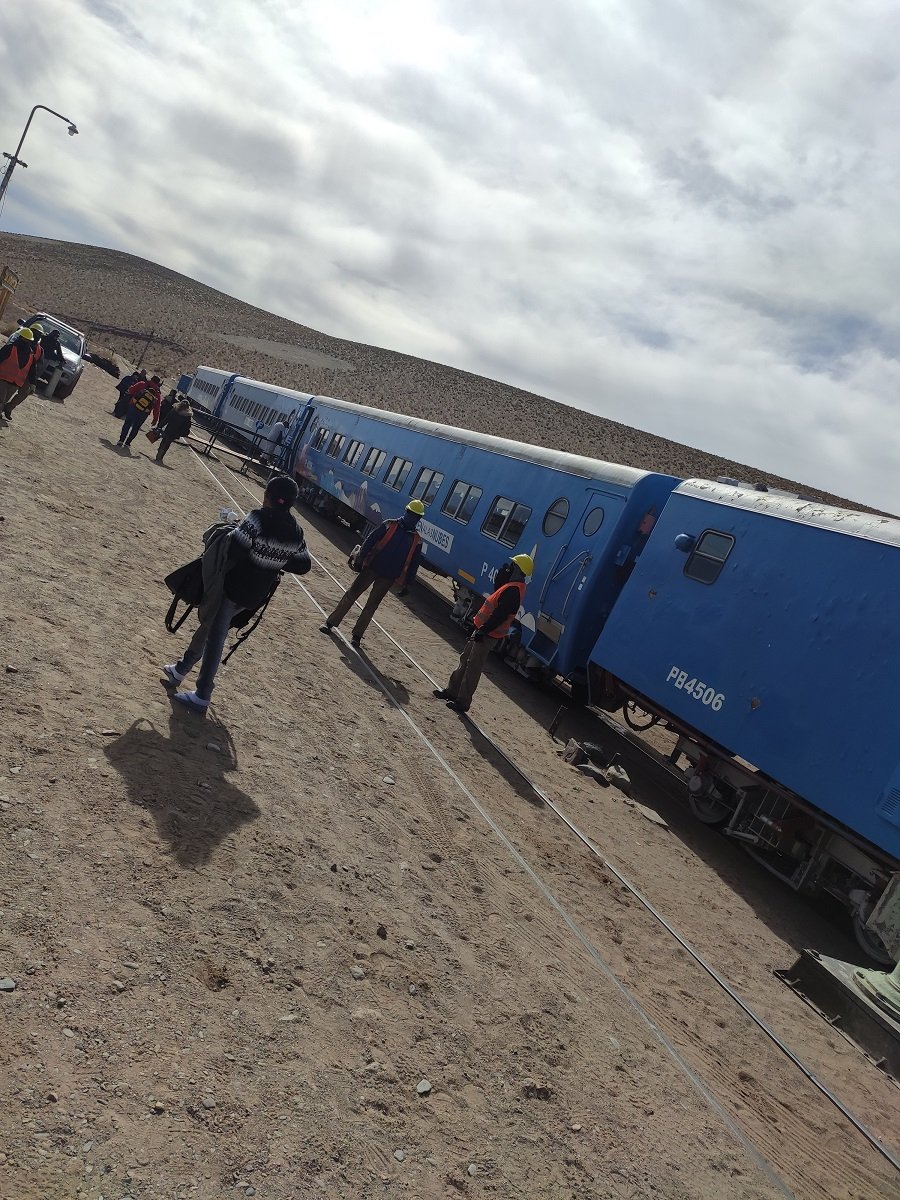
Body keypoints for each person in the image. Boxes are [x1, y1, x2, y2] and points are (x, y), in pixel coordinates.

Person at [164, 476, 311, 714]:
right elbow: (303, 565)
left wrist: (235, 529)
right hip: (255, 596)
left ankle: (202, 694)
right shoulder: (297, 531)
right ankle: (181, 668)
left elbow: (236, 548)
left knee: (214, 638)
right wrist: (276, 559)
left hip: (232, 589)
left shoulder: (258, 518)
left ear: (268, 496)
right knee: (212, 627)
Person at [433, 553, 534, 713]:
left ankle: (463, 702)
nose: (509, 567)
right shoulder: (511, 587)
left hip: (488, 635)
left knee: (473, 666)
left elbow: (499, 615)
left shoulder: (514, 591)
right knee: (465, 659)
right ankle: (452, 691)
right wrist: (501, 580)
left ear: (518, 569)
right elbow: (496, 602)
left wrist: (483, 631)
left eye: (513, 566)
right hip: (483, 631)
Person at [320, 500, 424, 647]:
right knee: (351, 594)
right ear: (406, 512)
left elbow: (414, 563)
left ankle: (357, 636)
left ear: (419, 519)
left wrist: (408, 583)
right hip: (372, 568)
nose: (413, 518)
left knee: (372, 605)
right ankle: (330, 623)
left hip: (388, 577)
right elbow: (370, 539)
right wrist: (361, 557)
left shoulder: (417, 540)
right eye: (412, 514)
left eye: (416, 516)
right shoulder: (389, 524)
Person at [0, 327, 38, 420]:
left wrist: (33, 383)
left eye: (26, 340)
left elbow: (32, 370)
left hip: (16, 383)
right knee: (0, 399)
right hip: (3, 379)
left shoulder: (31, 355)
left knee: (4, 400)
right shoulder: (9, 348)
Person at [117, 375, 161, 448]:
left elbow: (131, 390)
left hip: (134, 406)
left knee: (127, 423)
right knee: (136, 427)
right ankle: (128, 443)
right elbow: (157, 407)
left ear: (151, 379)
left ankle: (121, 440)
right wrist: (155, 419)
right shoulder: (157, 393)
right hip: (144, 412)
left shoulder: (142, 384)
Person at [154, 398, 192, 463]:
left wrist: (160, 426)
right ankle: (161, 456)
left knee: (163, 441)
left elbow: (167, 418)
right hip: (176, 432)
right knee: (168, 443)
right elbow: (187, 426)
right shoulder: (187, 415)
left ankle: (160, 451)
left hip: (168, 429)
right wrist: (182, 433)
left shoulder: (175, 410)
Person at [40, 329, 65, 397]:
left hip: (45, 358)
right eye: (55, 335)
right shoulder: (45, 337)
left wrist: (62, 359)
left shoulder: (55, 342)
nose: (55, 337)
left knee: (39, 371)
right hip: (40, 356)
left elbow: (59, 353)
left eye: (57, 336)